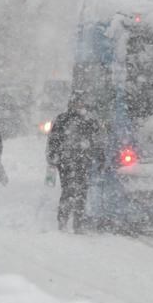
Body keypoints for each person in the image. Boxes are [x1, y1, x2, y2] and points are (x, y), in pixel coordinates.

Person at [46, 94, 100, 233]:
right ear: (71, 104)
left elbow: (96, 140)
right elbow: (53, 139)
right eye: (76, 103)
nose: (79, 106)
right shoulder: (62, 119)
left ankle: (78, 223)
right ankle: (63, 221)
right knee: (68, 191)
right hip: (66, 161)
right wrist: (53, 157)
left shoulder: (89, 121)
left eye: (81, 103)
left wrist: (98, 156)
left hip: (83, 161)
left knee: (82, 192)